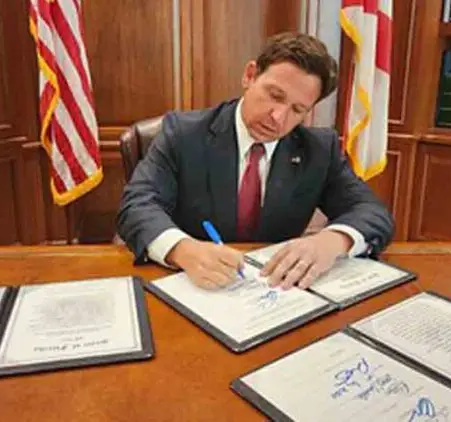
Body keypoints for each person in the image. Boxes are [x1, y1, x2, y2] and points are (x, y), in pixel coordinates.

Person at [116, 32, 394, 291]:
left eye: (297, 109)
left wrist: (331, 242)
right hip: (190, 284)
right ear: (250, 76)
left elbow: (371, 212)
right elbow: (137, 205)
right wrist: (182, 249)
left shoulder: (320, 149)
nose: (278, 118)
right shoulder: (183, 133)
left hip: (270, 291)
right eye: (275, 96)